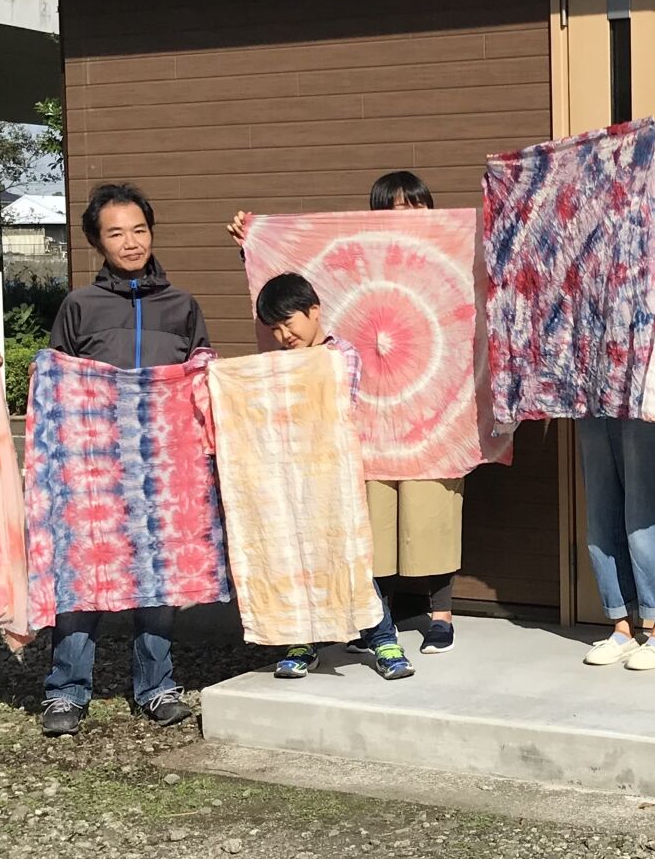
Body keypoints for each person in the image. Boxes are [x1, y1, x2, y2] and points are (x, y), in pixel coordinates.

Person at [229, 169, 465, 661]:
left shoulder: (448, 255)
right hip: (363, 417)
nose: (405, 217)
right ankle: (379, 617)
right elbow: (297, 293)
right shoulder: (358, 264)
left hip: (428, 403)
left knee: (431, 510)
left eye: (415, 206)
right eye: (393, 208)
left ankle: (439, 614)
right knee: (371, 520)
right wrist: (255, 244)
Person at [40, 182, 210, 738]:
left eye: (139, 229)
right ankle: (66, 691)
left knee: (156, 576)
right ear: (97, 241)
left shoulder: (181, 306)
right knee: (80, 571)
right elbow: (57, 384)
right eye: (116, 232)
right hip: (92, 467)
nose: (131, 241)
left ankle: (156, 685)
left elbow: (202, 378)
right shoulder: (79, 306)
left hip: (163, 467)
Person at [251, 271, 413, 682]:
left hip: (335, 475)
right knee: (296, 557)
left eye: (289, 322)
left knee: (351, 558)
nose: (283, 334)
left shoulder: (341, 354)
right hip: (289, 479)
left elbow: (335, 400)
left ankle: (384, 639)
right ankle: (301, 642)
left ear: (314, 311)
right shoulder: (277, 364)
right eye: (275, 328)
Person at [580, 138, 655, 671]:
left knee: (649, 506)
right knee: (603, 507)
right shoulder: (607, 241)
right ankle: (620, 624)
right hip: (596, 386)